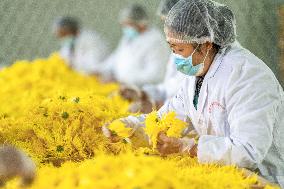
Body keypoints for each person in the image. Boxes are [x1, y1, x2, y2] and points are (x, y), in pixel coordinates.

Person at [103, 0, 284, 187]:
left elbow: (248, 151)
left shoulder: (246, 76)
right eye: (171, 48)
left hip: (267, 178)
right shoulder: (196, 74)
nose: (175, 57)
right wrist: (131, 125)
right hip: (229, 171)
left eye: (180, 49)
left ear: (205, 45)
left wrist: (187, 147)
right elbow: (167, 118)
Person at [100, 4, 170, 88]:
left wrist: (125, 80)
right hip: (123, 87)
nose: (125, 28)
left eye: (128, 25)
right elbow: (117, 57)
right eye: (123, 25)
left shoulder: (155, 41)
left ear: (141, 23)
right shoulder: (128, 38)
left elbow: (156, 75)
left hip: (144, 92)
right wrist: (100, 70)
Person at [142, 0, 185, 106]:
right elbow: (169, 84)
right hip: (171, 109)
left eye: (169, 23)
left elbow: (186, 91)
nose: (166, 28)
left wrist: (160, 104)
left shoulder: (196, 50)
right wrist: (146, 93)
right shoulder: (177, 46)